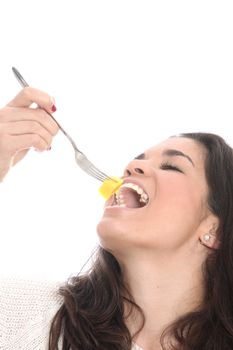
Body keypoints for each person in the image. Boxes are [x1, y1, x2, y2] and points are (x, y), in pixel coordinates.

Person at [0, 88, 233, 350]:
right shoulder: (30, 314)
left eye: (171, 166)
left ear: (217, 230)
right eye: (136, 162)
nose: (131, 168)